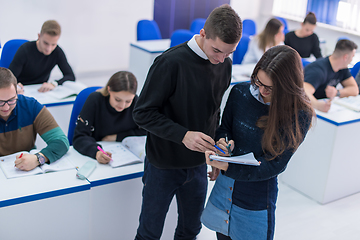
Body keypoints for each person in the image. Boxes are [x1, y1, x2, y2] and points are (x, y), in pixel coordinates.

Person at [132, 4, 242, 240]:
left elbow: (213, 112)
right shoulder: (170, 63)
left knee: (191, 230)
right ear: (203, 34)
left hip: (198, 166)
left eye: (228, 53)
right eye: (217, 50)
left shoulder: (225, 66)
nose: (221, 59)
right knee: (149, 233)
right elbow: (142, 113)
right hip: (162, 165)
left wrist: (216, 156)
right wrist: (183, 135)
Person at [201, 45, 314, 240]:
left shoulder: (299, 115)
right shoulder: (241, 92)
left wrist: (227, 165)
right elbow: (225, 128)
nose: (261, 90)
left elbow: (274, 165)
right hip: (225, 185)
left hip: (256, 196)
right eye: (257, 81)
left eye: (269, 88)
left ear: (287, 86)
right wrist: (223, 143)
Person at [0, 67, 69, 171]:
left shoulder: (31, 106)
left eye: (11, 100)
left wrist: (39, 158)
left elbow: (61, 142)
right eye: (0, 102)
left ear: (17, 92)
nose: (6, 107)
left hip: (27, 170)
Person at [72, 71, 146, 163]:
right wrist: (96, 152)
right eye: (117, 99)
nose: (122, 106)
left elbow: (145, 130)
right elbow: (79, 137)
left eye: (128, 101)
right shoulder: (95, 100)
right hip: (96, 156)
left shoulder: (136, 102)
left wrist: (117, 137)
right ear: (109, 89)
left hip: (125, 155)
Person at [9, 20, 75, 93]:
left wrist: (54, 83)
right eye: (46, 43)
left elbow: (70, 75)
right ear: (39, 36)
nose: (49, 49)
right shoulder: (25, 50)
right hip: (22, 91)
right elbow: (8, 79)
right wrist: (15, 86)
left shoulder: (57, 52)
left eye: (53, 44)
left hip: (41, 92)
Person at [304, 39, 359, 113]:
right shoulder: (318, 70)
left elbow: (354, 90)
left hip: (324, 109)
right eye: (352, 56)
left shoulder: (342, 68)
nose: (351, 60)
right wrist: (318, 105)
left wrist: (337, 92)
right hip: (309, 109)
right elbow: (304, 93)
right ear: (345, 57)